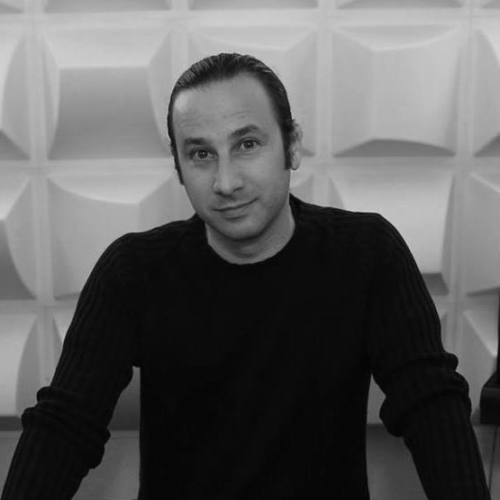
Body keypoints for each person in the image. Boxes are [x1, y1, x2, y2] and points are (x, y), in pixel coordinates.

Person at [1, 53, 491, 500]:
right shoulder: (133, 271)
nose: (226, 182)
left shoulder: (367, 253)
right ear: (178, 167)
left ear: (292, 145)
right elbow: (66, 425)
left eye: (247, 144)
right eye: (201, 154)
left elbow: (430, 403)